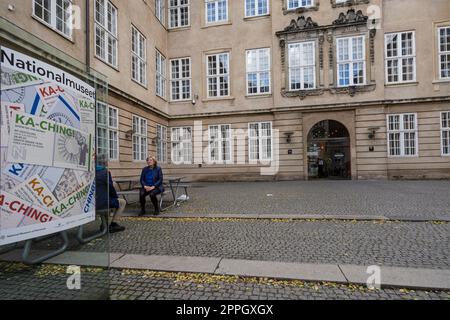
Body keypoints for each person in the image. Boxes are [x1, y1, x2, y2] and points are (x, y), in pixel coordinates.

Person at [95, 154, 126, 233]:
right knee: (122, 202)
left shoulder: (91, 172)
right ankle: (114, 224)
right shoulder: (105, 172)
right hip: (101, 202)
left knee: (110, 201)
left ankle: (104, 224)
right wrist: (115, 197)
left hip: (92, 203)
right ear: (105, 162)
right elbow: (111, 188)